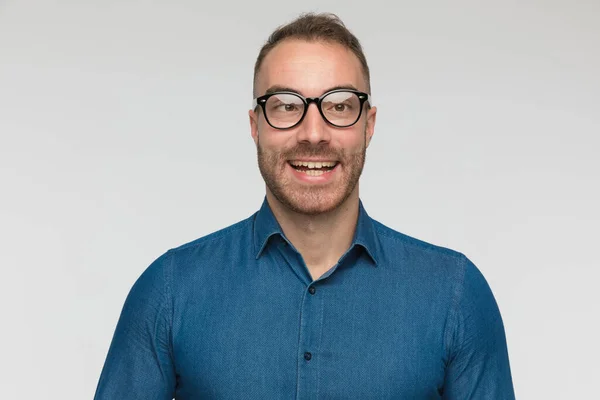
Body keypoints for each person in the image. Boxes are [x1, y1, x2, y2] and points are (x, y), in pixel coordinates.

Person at [94, 12, 515, 399]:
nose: (313, 133)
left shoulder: (454, 295)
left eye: (339, 106)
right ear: (255, 126)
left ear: (368, 125)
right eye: (286, 107)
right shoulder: (169, 291)